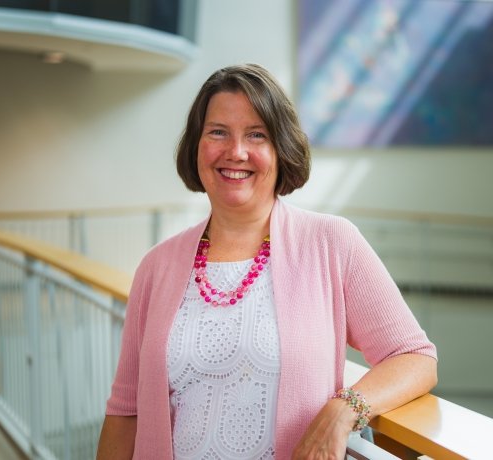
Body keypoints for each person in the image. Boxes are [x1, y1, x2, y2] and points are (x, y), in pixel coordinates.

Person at [97, 63, 437, 460]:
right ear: (196, 145)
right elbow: (126, 411)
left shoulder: (331, 243)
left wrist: (344, 410)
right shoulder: (157, 267)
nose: (236, 152)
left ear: (281, 149)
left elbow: (414, 358)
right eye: (218, 132)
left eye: (256, 135)